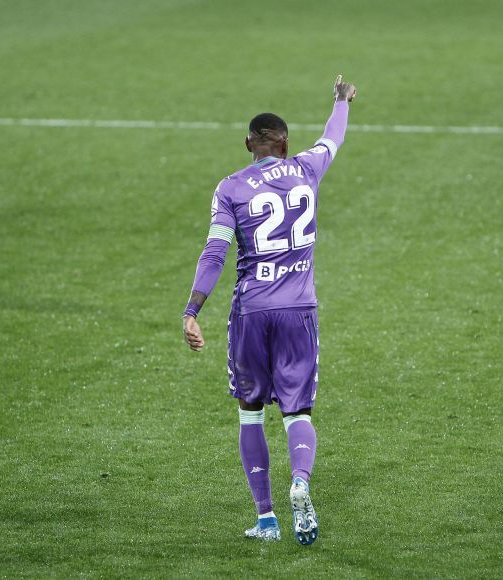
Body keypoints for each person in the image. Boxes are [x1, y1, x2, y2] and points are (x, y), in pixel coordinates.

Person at [182, 75, 357, 545]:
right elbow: (332, 138)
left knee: (250, 412)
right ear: (284, 144)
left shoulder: (230, 189)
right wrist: (341, 100)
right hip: (299, 309)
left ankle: (266, 519)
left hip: (251, 313)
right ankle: (300, 481)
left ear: (248, 145)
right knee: (298, 412)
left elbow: (215, 253)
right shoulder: (305, 169)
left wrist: (192, 309)